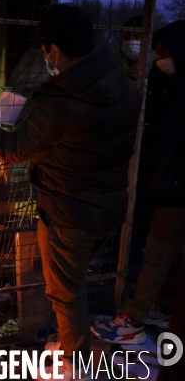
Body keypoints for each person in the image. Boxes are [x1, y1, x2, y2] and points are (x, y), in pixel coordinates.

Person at [0, 4, 141, 380]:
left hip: (68, 211)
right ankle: (73, 341)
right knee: (76, 283)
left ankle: (76, 362)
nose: (45, 59)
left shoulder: (60, 101)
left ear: (55, 50)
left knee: (65, 291)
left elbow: (14, 150)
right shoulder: (120, 83)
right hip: (107, 205)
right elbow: (76, 142)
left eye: (45, 51)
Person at [91, 20, 185, 345]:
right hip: (159, 183)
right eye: (156, 51)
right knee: (166, 254)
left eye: (164, 52)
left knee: (158, 253)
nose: (160, 58)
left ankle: (134, 319)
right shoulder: (162, 83)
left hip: (174, 187)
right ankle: (165, 306)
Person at [120, 16, 144, 82]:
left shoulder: (154, 68)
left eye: (137, 37)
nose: (131, 41)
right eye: (127, 36)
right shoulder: (115, 66)